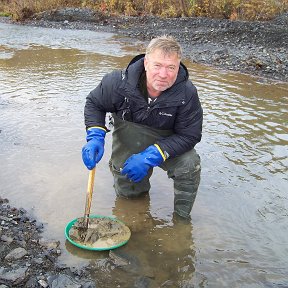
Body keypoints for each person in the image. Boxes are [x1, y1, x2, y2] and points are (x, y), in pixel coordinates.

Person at [82, 35, 203, 219]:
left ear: (178, 67)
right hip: (128, 143)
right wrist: (95, 136)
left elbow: (190, 135)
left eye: (171, 68)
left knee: (189, 163)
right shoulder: (117, 82)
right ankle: (136, 215)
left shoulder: (187, 93)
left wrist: (153, 155)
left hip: (166, 145)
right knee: (130, 203)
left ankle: (182, 221)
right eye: (157, 65)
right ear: (146, 63)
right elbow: (94, 103)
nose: (163, 75)